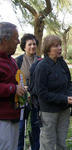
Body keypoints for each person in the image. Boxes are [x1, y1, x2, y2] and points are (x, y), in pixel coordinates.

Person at [34, 35, 72, 150]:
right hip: (49, 112)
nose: (59, 48)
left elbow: (69, 82)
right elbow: (41, 93)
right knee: (48, 143)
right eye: (56, 46)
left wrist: (70, 95)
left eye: (60, 45)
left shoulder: (62, 63)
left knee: (61, 142)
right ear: (48, 49)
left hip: (64, 109)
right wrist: (64, 99)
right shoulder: (42, 66)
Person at [0, 22, 26, 150]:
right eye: (16, 38)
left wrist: (21, 89)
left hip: (14, 115)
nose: (18, 42)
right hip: (2, 119)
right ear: (5, 39)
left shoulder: (11, 60)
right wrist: (13, 89)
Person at [16, 33, 40, 150]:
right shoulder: (18, 61)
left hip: (36, 100)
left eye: (34, 44)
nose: (32, 46)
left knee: (36, 127)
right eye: (29, 44)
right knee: (20, 129)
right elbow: (14, 78)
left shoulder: (40, 60)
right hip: (22, 99)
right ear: (24, 47)